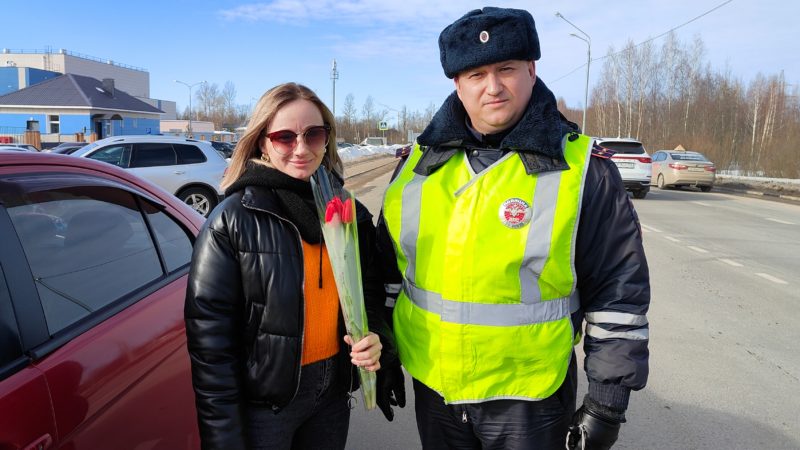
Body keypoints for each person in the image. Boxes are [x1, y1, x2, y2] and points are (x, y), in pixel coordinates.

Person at [376, 7, 650, 450]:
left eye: (506, 69)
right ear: (457, 84)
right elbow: (392, 275)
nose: (493, 87)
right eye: (476, 74)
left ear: (531, 69)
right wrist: (388, 349)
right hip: (435, 388)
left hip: (529, 399)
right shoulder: (414, 168)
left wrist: (607, 401)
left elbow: (619, 291)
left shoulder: (582, 169)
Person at [185, 82, 397, 450]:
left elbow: (372, 292)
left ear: (328, 139)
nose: (301, 148)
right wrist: (224, 439)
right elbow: (212, 349)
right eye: (285, 137)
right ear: (263, 142)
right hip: (266, 407)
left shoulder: (346, 211)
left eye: (313, 134)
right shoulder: (233, 220)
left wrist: (377, 337)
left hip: (331, 396)